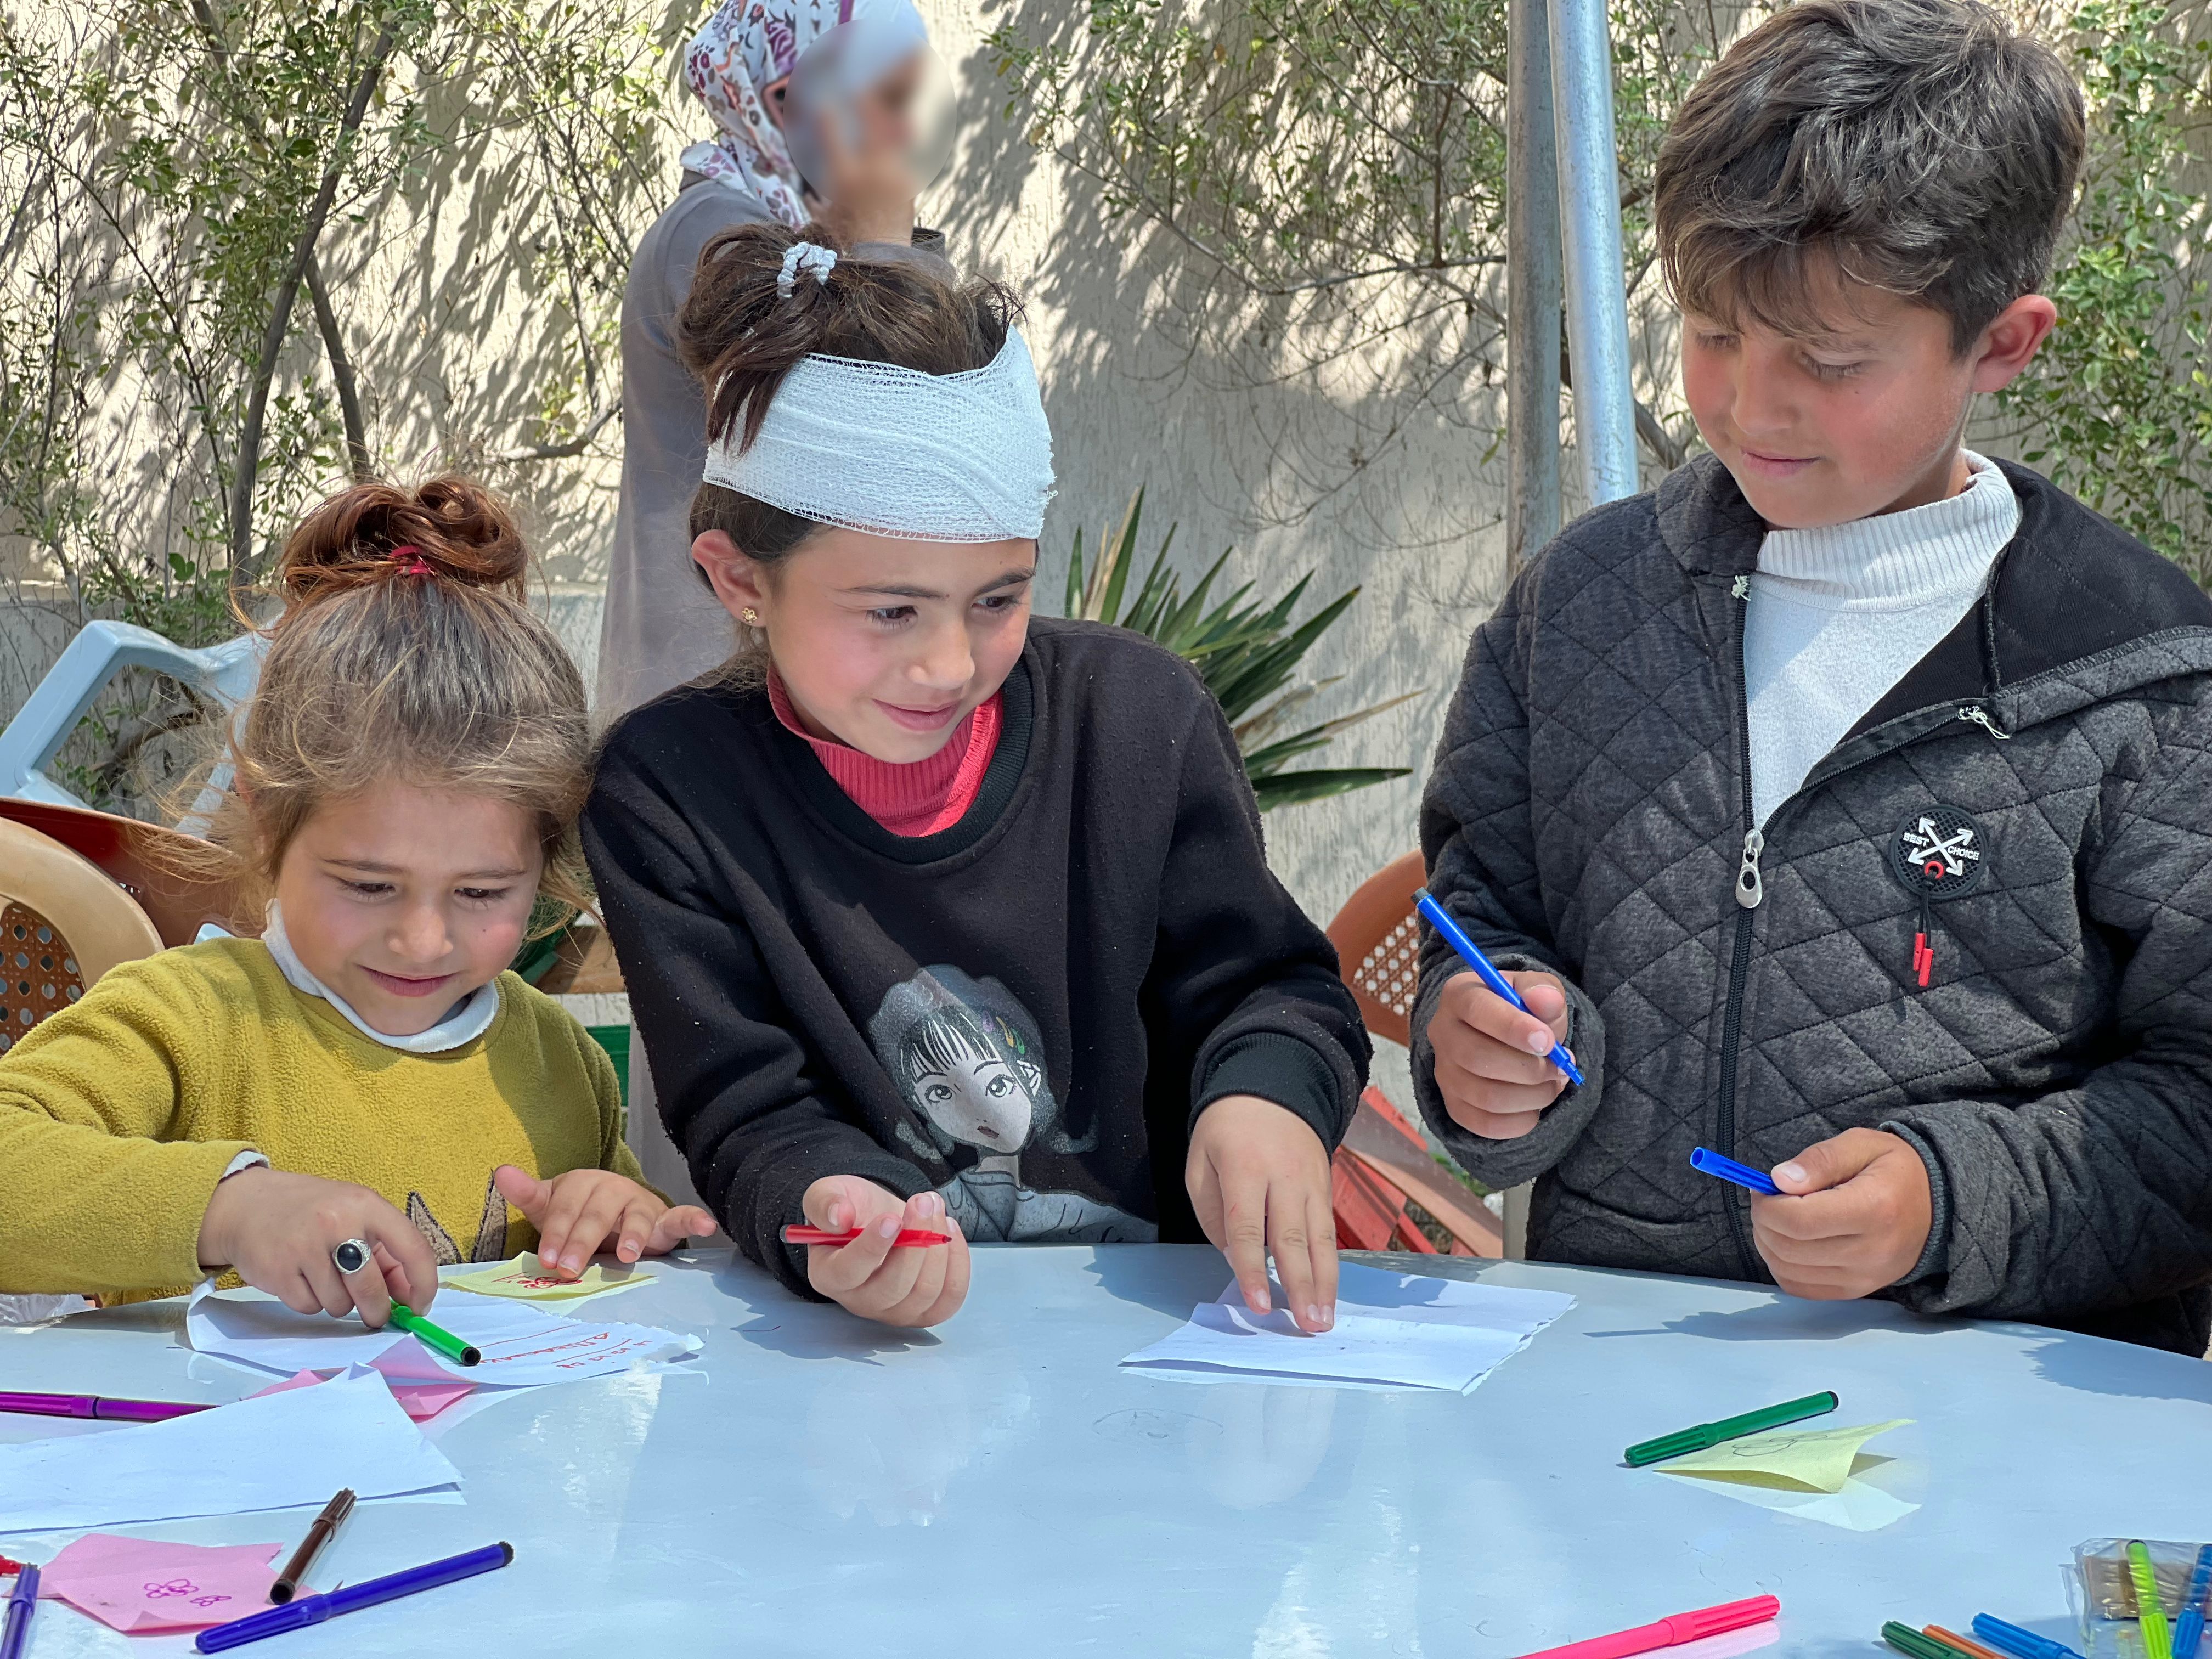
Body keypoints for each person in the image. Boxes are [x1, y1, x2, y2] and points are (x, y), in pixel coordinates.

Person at [1414, 0, 2212, 1353]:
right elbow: (1486, 905)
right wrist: (1483, 1041)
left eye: (1831, 363)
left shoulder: (2144, 680)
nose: (1751, 405)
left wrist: (1950, 1198)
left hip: (1993, 1422)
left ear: (2004, 344)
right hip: (1616, 1382)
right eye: (1714, 332)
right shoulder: (1586, 603)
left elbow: (2196, 1100)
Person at [582, 223, 1371, 1331]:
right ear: (739, 579)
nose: (951, 664)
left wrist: (1264, 1099)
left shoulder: (1139, 721)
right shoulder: (670, 792)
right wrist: (837, 1209)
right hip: (867, 1370)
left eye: (998, 599)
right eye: (892, 609)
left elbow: (1268, 991)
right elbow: (746, 1106)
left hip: (1167, 1349)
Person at [0, 478, 714, 1318]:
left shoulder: (562, 1063)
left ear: (546, 860)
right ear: (267, 824)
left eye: (482, 891)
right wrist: (231, 1209)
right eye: (369, 885)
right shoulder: (191, 1020)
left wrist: (615, 1219)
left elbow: (631, 1277)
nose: (421, 939)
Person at [597, 0, 951, 719]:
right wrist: (889, 242)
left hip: (752, 691)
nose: (908, 130)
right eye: (886, 96)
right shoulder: (720, 232)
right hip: (707, 705)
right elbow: (870, 412)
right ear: (786, 99)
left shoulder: (797, 235)